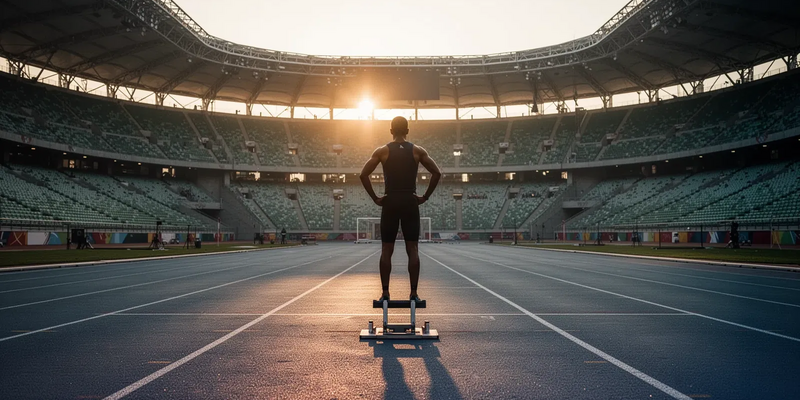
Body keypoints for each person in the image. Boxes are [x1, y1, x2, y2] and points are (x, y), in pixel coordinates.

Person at [360, 116, 441, 302]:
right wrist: (425, 197)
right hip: (409, 201)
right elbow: (437, 173)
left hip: (390, 201)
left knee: (386, 249)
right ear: (407, 131)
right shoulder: (418, 151)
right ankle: (413, 293)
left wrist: (375, 198)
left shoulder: (382, 151)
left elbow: (363, 174)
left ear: (390, 131)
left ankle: (385, 293)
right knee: (412, 248)